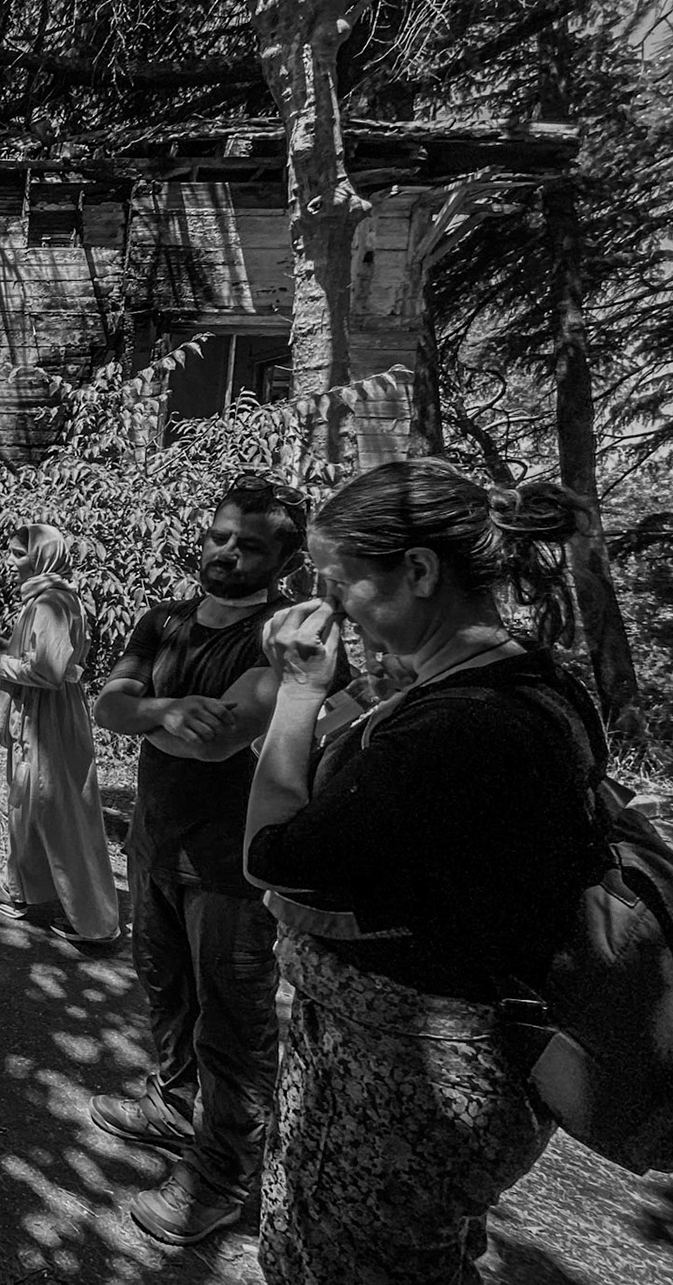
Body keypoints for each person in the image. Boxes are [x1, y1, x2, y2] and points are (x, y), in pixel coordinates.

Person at [244, 460, 607, 1284]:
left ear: (417, 570)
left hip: (405, 1086)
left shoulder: (456, 729)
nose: (333, 607)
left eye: (341, 583)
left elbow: (272, 857)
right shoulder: (527, 683)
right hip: (452, 1068)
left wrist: (297, 695)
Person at [88, 475, 309, 1247]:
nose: (226, 551)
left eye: (249, 544)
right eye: (219, 534)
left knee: (234, 1024)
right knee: (164, 988)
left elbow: (220, 740)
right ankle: (174, 1104)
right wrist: (168, 711)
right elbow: (107, 705)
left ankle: (222, 1177)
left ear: (287, 560)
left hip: (229, 864)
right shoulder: (164, 619)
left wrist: (148, 714)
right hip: (155, 840)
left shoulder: (283, 636)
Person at [0, 525, 122, 948]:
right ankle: (16, 888)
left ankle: (94, 921)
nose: (11, 561)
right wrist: (10, 650)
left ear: (42, 557)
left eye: (19, 554)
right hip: (45, 714)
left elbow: (48, 673)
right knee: (30, 802)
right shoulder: (49, 598)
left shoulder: (52, 601)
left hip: (50, 717)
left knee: (59, 810)